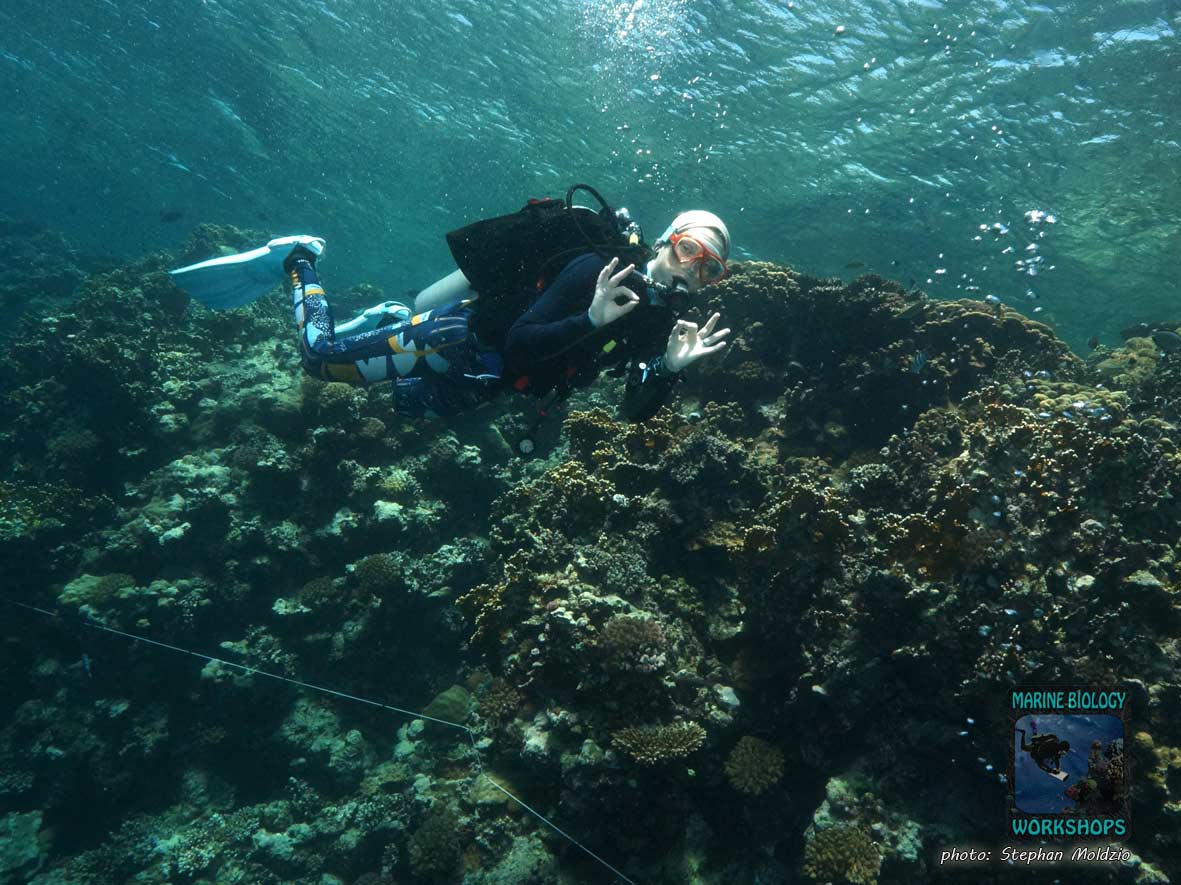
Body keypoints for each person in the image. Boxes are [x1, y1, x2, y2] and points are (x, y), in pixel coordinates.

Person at [171, 194, 732, 424]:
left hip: (483, 384)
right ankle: (298, 260)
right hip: (457, 342)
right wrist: (588, 319)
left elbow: (631, 414)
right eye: (689, 250)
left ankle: (389, 319)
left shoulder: (659, 324)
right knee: (320, 361)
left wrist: (666, 371)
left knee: (405, 409)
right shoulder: (596, 273)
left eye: (709, 268)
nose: (692, 269)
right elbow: (519, 342)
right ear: (667, 241)